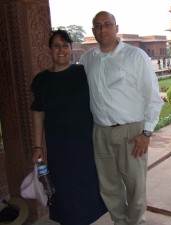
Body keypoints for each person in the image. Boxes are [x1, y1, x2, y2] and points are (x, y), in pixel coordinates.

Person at [79, 11, 163, 225]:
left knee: (135, 184)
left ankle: (136, 222)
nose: (102, 30)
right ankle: (119, 221)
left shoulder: (135, 56)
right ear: (93, 32)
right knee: (108, 185)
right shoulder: (87, 59)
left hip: (131, 131)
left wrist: (146, 133)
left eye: (107, 24)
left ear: (116, 28)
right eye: (97, 26)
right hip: (100, 132)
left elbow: (152, 97)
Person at [30, 29, 107, 225]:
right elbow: (38, 113)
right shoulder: (41, 80)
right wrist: (38, 147)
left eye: (65, 45)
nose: (61, 50)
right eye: (56, 46)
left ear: (71, 49)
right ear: (50, 49)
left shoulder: (82, 73)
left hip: (84, 142)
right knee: (63, 188)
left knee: (86, 186)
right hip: (58, 144)